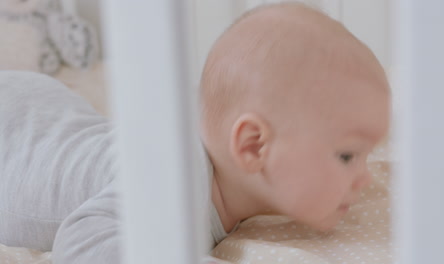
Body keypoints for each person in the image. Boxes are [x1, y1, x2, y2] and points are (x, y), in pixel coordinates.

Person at [0, 2, 389, 263]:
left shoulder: (214, 172)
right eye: (346, 156)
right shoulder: (175, 180)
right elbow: (81, 242)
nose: (366, 176)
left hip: (43, 104)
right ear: (253, 146)